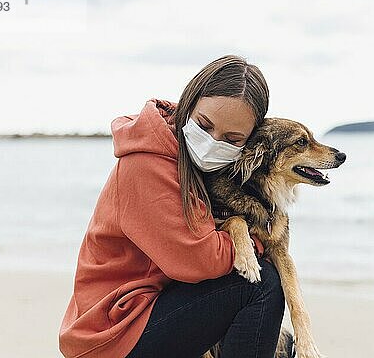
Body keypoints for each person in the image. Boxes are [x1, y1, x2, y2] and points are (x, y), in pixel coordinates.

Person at [58, 55, 293, 358]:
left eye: (232, 139)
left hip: (145, 309)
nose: (212, 142)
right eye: (205, 125)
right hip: (111, 332)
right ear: (189, 102)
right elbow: (199, 260)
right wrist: (261, 239)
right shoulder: (145, 164)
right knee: (259, 284)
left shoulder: (203, 167)